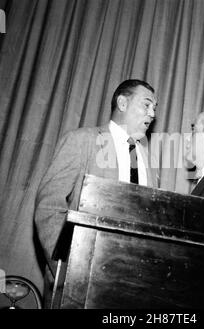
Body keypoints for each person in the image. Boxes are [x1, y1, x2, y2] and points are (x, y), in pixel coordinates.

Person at [34, 79, 158, 307]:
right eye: (147, 105)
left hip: (129, 287)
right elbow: (49, 206)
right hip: (76, 284)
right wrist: (68, 268)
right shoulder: (82, 140)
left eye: (154, 108)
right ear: (122, 103)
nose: (152, 113)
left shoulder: (146, 159)